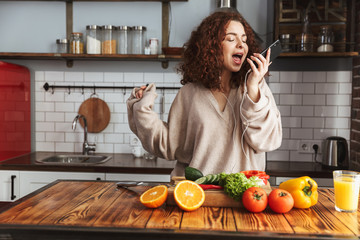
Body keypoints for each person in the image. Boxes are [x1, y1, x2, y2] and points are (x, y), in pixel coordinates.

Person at [127, 11, 282, 177]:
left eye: (244, 40)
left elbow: (268, 141)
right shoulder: (189, 93)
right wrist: (142, 108)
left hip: (245, 196)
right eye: (231, 39)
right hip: (196, 195)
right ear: (211, 46)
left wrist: (252, 88)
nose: (241, 45)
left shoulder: (256, 88)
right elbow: (170, 145)